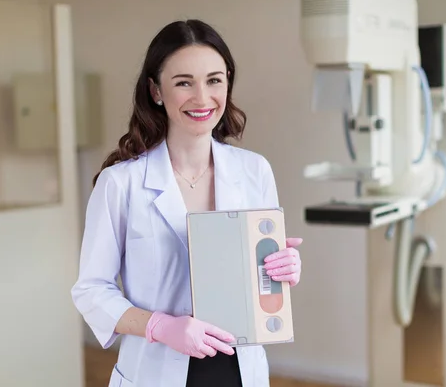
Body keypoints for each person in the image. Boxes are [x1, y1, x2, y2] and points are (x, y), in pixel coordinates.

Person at [71, 19, 303, 387]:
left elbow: (261, 282)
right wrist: (161, 327)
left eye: (214, 80)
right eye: (183, 82)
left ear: (227, 82)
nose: (201, 98)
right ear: (156, 91)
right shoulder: (121, 184)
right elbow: (90, 291)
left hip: (239, 368)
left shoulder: (254, 170)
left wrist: (281, 269)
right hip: (155, 370)